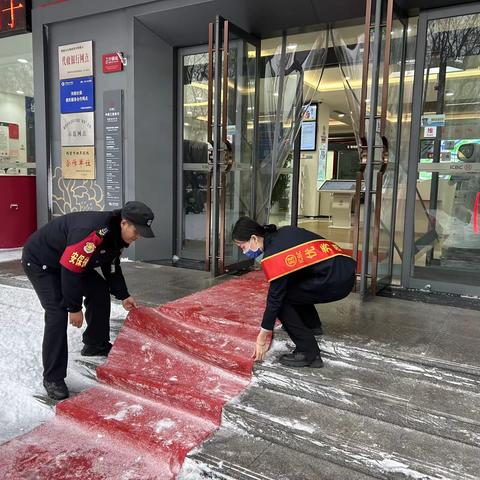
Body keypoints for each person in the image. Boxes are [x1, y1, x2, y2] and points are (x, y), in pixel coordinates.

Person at [22, 201, 155, 400]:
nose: (138, 237)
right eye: (137, 231)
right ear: (124, 223)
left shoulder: (116, 236)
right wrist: (73, 307)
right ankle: (53, 378)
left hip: (71, 262)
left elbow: (111, 265)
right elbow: (69, 271)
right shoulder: (93, 232)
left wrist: (123, 295)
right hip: (43, 262)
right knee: (57, 312)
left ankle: (95, 343)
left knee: (99, 290)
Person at [232, 217, 356, 368]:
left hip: (336, 280)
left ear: (254, 238)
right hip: (344, 271)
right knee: (290, 287)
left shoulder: (273, 255)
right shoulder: (283, 233)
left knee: (281, 301)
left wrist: (261, 337)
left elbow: (275, 299)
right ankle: (312, 325)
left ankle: (309, 353)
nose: (243, 251)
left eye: (242, 246)